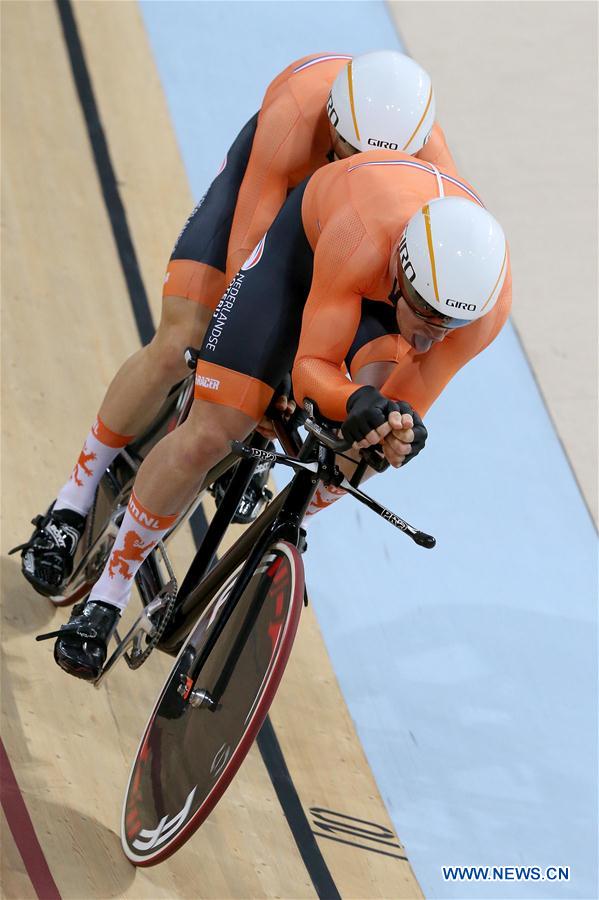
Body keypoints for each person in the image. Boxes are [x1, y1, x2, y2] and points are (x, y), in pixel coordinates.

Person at [49, 149, 511, 680]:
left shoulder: (481, 313)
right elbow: (315, 364)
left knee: (366, 449)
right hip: (311, 252)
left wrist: (396, 431)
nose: (431, 336)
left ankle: (263, 550)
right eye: (427, 317)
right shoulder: (359, 238)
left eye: (447, 326)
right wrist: (350, 399)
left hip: (390, 286)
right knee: (214, 432)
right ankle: (108, 591)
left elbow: (409, 404)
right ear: (404, 278)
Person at [15, 49, 457, 598]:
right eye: (345, 154)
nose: (355, 172)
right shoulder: (297, 112)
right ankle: (72, 502)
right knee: (183, 340)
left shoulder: (436, 178)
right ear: (334, 124)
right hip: (276, 203)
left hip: (362, 247)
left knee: (348, 381)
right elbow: (249, 249)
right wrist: (239, 350)